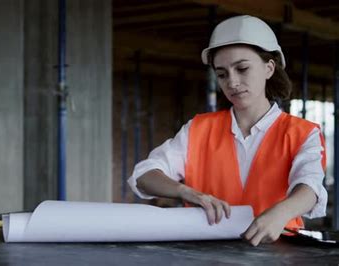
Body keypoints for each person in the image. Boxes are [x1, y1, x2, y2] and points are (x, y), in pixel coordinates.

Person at [127, 15, 327, 247]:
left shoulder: (302, 133)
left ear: (269, 68)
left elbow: (310, 186)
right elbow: (144, 176)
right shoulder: (199, 129)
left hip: (280, 253)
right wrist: (186, 192)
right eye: (222, 74)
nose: (232, 82)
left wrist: (281, 213)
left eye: (242, 69)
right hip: (205, 254)